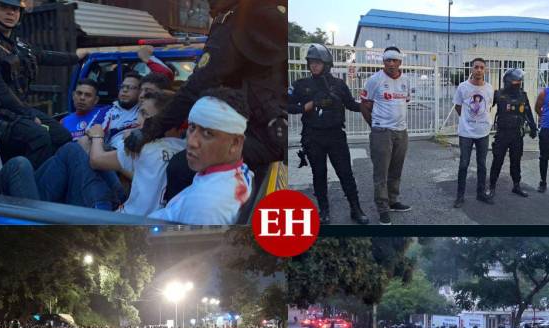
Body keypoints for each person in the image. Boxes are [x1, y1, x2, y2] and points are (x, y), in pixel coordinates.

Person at [126, 0, 287, 203]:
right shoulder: (271, 12)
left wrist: (149, 130)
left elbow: (196, 87)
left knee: (180, 168)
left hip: (258, 134)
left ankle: (180, 231)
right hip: (277, 132)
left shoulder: (238, 20)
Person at [0, 0, 90, 170]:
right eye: (3, 7)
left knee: (61, 135)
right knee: (39, 136)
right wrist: (27, 114)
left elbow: (43, 55)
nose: (10, 13)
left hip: (16, 109)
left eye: (15, 9)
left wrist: (75, 57)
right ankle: (23, 186)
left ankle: (51, 183)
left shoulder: (16, 43)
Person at [288, 43, 368, 225]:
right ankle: (324, 211)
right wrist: (304, 107)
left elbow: (351, 104)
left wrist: (368, 105)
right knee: (319, 174)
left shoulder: (339, 85)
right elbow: (285, 104)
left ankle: (356, 209)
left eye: (317, 62)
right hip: (313, 137)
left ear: (326, 64)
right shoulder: (301, 85)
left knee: (346, 173)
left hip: (336, 137)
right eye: (311, 62)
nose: (313, 66)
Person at [148, 88, 253, 225]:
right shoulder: (239, 170)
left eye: (208, 133)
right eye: (192, 127)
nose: (191, 142)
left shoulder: (205, 205)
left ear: (235, 143)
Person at [88, 91, 185, 216]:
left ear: (164, 119)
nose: (137, 120)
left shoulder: (144, 148)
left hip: (129, 219)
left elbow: (96, 160)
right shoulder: (188, 149)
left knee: (73, 151)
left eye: (144, 114)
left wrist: (97, 135)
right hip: (161, 219)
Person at [360, 46, 412, 225]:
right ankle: (383, 209)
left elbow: (405, 102)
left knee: (396, 170)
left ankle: (393, 201)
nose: (391, 63)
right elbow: (365, 105)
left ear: (400, 62)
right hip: (382, 132)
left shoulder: (406, 80)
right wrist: (376, 126)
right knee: (381, 173)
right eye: (387, 60)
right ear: (383, 61)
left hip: (401, 132)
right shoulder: (374, 80)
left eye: (394, 60)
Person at [487, 68, 537, 199]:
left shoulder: (523, 95)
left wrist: (533, 127)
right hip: (502, 134)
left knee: (516, 161)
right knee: (497, 160)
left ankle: (516, 185)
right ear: (508, 81)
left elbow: (528, 112)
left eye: (520, 80)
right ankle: (491, 186)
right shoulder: (498, 94)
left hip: (517, 134)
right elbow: (484, 108)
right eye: (516, 80)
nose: (519, 82)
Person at [452, 57, 494, 208]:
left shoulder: (489, 88)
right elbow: (458, 107)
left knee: (482, 165)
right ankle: (460, 196)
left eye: (482, 67)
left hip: (483, 132)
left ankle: (481, 193)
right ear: (471, 69)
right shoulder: (463, 87)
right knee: (463, 164)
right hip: (466, 133)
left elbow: (488, 107)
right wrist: (466, 119)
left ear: (485, 70)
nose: (479, 70)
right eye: (476, 67)